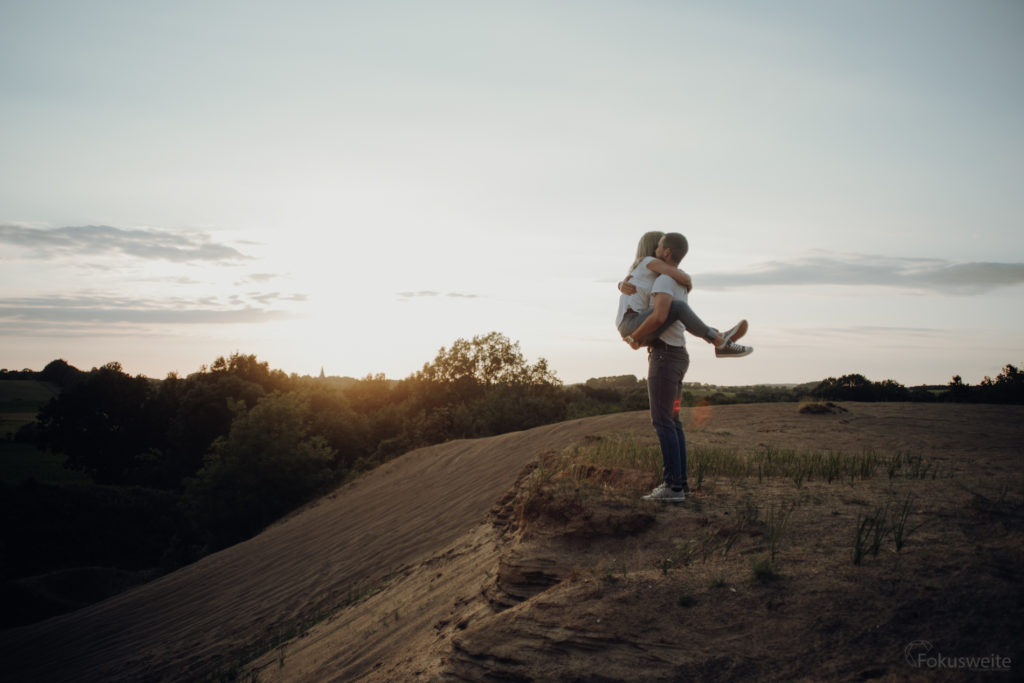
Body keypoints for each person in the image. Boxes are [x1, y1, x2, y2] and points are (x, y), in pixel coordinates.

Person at [633, 232, 700, 502]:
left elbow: (659, 316)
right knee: (673, 421)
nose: (656, 248)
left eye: (660, 246)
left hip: (664, 358)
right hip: (678, 355)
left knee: (662, 421)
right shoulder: (679, 282)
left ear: (667, 253)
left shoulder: (663, 279)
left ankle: (672, 487)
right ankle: (680, 485)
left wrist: (635, 337)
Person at [615, 231, 752, 357]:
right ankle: (719, 341)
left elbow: (677, 275)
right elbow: (682, 277)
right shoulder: (648, 261)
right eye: (659, 245)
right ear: (653, 247)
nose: (661, 249)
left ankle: (719, 336)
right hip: (630, 322)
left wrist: (620, 285)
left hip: (636, 325)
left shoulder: (650, 273)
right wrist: (687, 281)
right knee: (677, 307)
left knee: (672, 309)